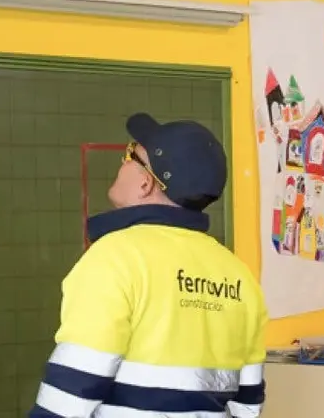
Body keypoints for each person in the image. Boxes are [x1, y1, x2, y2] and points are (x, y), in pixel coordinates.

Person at [29, 114, 268, 418]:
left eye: (130, 155)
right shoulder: (238, 274)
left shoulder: (115, 257)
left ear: (145, 184)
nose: (122, 162)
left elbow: (71, 394)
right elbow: (247, 406)